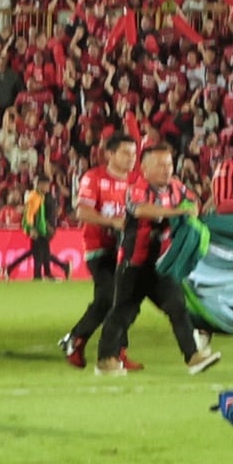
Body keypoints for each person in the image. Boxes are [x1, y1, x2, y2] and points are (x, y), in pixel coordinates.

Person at [93, 141, 214, 372]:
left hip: (161, 264)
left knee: (177, 306)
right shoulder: (137, 188)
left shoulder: (177, 187)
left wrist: (192, 209)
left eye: (169, 164)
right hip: (134, 263)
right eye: (160, 165)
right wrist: (178, 211)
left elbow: (193, 203)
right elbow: (140, 210)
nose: (166, 169)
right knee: (123, 311)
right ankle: (105, 359)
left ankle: (193, 356)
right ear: (145, 169)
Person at [60, 132, 139, 369]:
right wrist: (113, 222)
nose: (131, 159)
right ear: (110, 154)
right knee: (108, 296)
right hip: (100, 249)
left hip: (125, 250)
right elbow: (82, 212)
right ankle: (77, 339)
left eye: (134, 154)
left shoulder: (135, 182)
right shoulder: (93, 178)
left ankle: (115, 352)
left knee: (125, 300)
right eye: (126, 153)